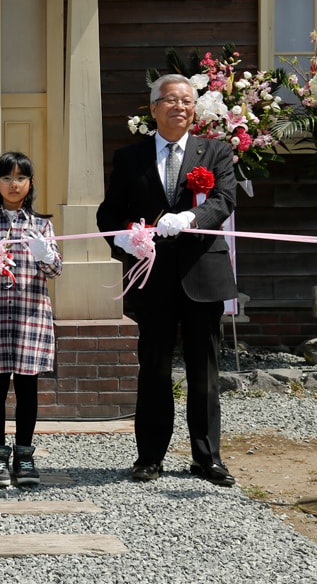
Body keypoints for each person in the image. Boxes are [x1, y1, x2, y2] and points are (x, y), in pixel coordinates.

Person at [96, 73, 238, 487]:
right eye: (171, 100)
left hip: (202, 273)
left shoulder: (215, 151)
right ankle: (149, 456)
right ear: (154, 107)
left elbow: (223, 199)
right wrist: (126, 240)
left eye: (188, 101)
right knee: (154, 368)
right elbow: (109, 214)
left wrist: (192, 218)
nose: (181, 107)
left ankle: (207, 457)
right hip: (153, 277)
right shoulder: (130, 157)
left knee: (204, 369)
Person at [0, 152, 62, 488]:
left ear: (30, 183)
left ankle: (24, 456)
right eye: (6, 178)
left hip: (30, 314)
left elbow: (55, 269)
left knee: (26, 385)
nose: (13, 184)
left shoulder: (42, 225)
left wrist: (44, 255)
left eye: (20, 177)